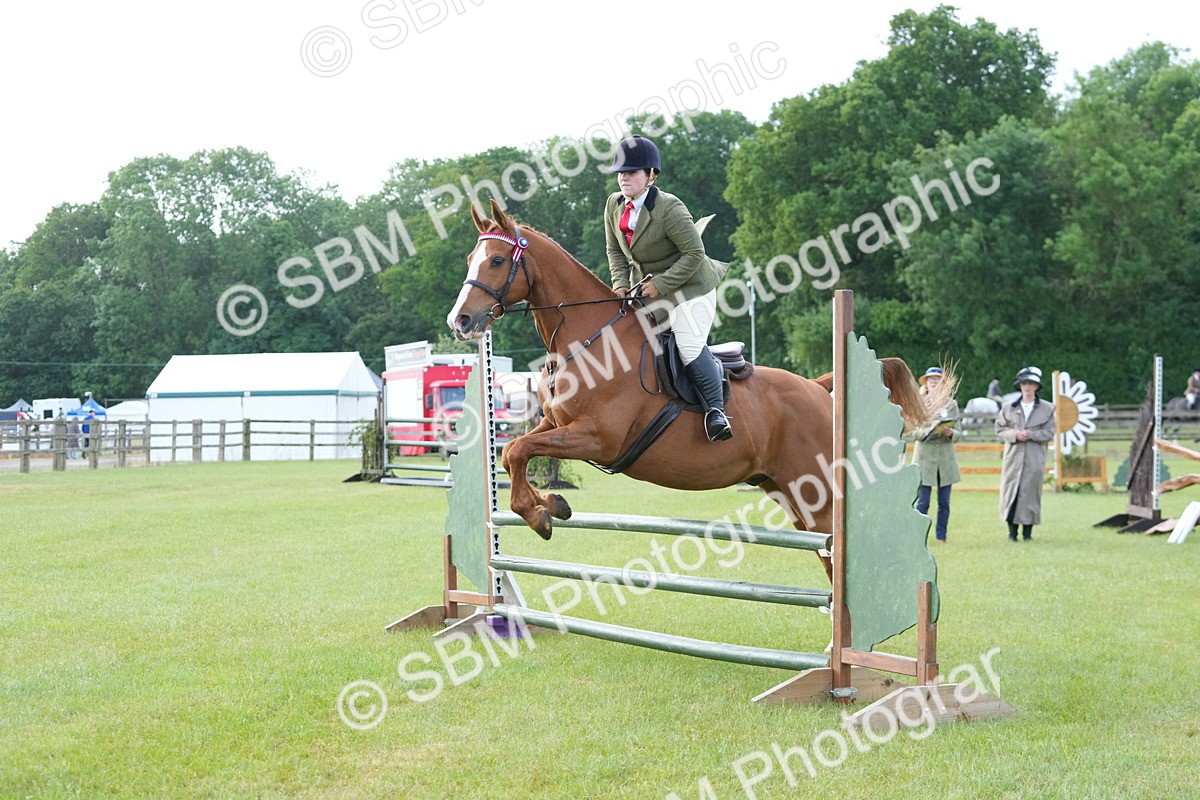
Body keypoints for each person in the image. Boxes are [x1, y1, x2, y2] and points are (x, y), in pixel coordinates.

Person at [604, 134, 731, 441]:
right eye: (621, 171)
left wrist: (659, 284)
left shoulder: (669, 208)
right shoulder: (613, 205)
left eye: (632, 172)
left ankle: (717, 413)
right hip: (649, 292)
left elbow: (694, 254)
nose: (624, 177)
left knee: (686, 345)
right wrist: (621, 285)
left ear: (650, 175)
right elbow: (615, 252)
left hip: (692, 287)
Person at [995, 366, 1056, 541]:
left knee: (1030, 494)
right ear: (1019, 386)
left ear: (1037, 387)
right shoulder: (1008, 407)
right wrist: (1015, 434)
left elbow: (1049, 432)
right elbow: (1000, 429)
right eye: (1024, 384)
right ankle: (1011, 533)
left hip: (1034, 458)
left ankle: (1027, 534)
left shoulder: (1048, 409)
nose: (1027, 387)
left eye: (1031, 384)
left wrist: (1030, 435)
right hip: (1013, 458)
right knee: (1010, 492)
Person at [912, 367, 961, 543]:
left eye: (938, 379)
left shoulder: (951, 404)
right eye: (931, 379)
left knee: (944, 503)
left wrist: (950, 433)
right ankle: (918, 538)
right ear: (926, 383)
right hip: (925, 458)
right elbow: (911, 432)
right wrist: (928, 430)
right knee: (922, 503)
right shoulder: (918, 403)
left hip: (945, 460)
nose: (934, 382)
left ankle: (942, 537)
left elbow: (959, 432)